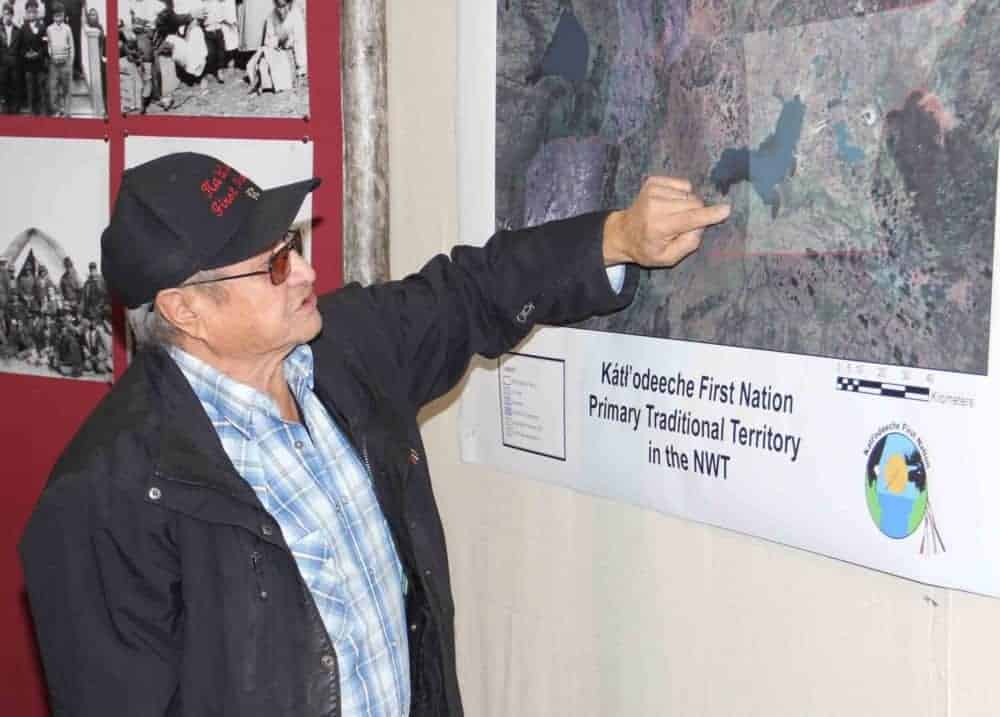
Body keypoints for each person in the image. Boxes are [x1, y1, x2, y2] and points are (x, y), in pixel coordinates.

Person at [19, 152, 729, 716]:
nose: (306, 270)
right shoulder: (104, 499)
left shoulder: (344, 352)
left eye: (290, 244)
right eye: (273, 264)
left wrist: (619, 237)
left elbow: (468, 292)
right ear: (185, 310)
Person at [245, 0, 304, 94]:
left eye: (283, 6)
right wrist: (277, 40)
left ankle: (262, 81)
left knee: (276, 68)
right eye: (278, 6)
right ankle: (258, 79)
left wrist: (300, 67)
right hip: (275, 49)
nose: (281, 10)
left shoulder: (295, 15)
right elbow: (267, 40)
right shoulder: (272, 15)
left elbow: (300, 42)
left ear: (289, 4)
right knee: (262, 58)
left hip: (289, 53)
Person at [45, 2, 72, 116]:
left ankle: (66, 111)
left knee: (66, 88)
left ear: (64, 15)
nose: (58, 18)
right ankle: (56, 110)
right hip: (54, 63)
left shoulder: (67, 29)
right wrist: (52, 56)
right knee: (54, 88)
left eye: (60, 15)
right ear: (53, 16)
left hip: (65, 62)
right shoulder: (49, 29)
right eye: (56, 15)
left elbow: (71, 45)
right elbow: (49, 45)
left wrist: (69, 60)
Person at [19, 0, 45, 115]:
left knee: (40, 89)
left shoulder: (42, 27)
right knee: (30, 89)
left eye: (34, 12)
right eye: (29, 12)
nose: (31, 14)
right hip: (28, 65)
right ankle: (32, 112)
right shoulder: (23, 28)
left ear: (37, 12)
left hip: (39, 64)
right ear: (26, 12)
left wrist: (38, 54)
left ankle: (42, 113)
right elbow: (20, 46)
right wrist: (25, 54)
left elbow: (45, 45)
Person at [0, 3, 22, 114]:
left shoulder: (18, 30)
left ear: (12, 15)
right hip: (2, 64)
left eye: (8, 14)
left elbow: (20, 49)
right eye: (4, 14)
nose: (6, 16)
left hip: (14, 64)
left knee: (15, 86)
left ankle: (15, 110)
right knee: (3, 86)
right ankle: (4, 109)